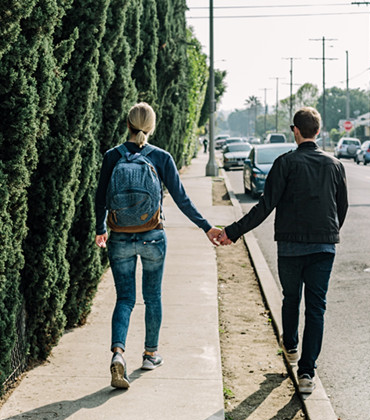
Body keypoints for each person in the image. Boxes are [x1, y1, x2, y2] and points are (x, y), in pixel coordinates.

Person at [217, 107, 348, 394]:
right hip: (324, 247)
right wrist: (328, 233)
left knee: (291, 298)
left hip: (290, 246)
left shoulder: (285, 163)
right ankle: (307, 374)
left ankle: (290, 346)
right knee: (317, 308)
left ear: (295, 130)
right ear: (318, 130)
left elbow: (265, 207)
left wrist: (232, 232)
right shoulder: (335, 165)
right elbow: (342, 208)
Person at [95, 102, 221, 389]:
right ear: (151, 127)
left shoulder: (112, 156)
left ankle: (118, 353)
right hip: (153, 236)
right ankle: (150, 354)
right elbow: (181, 198)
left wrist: (100, 229)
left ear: (127, 124)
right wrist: (206, 227)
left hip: (120, 238)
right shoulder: (161, 157)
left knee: (125, 299)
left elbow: (100, 197)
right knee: (152, 297)